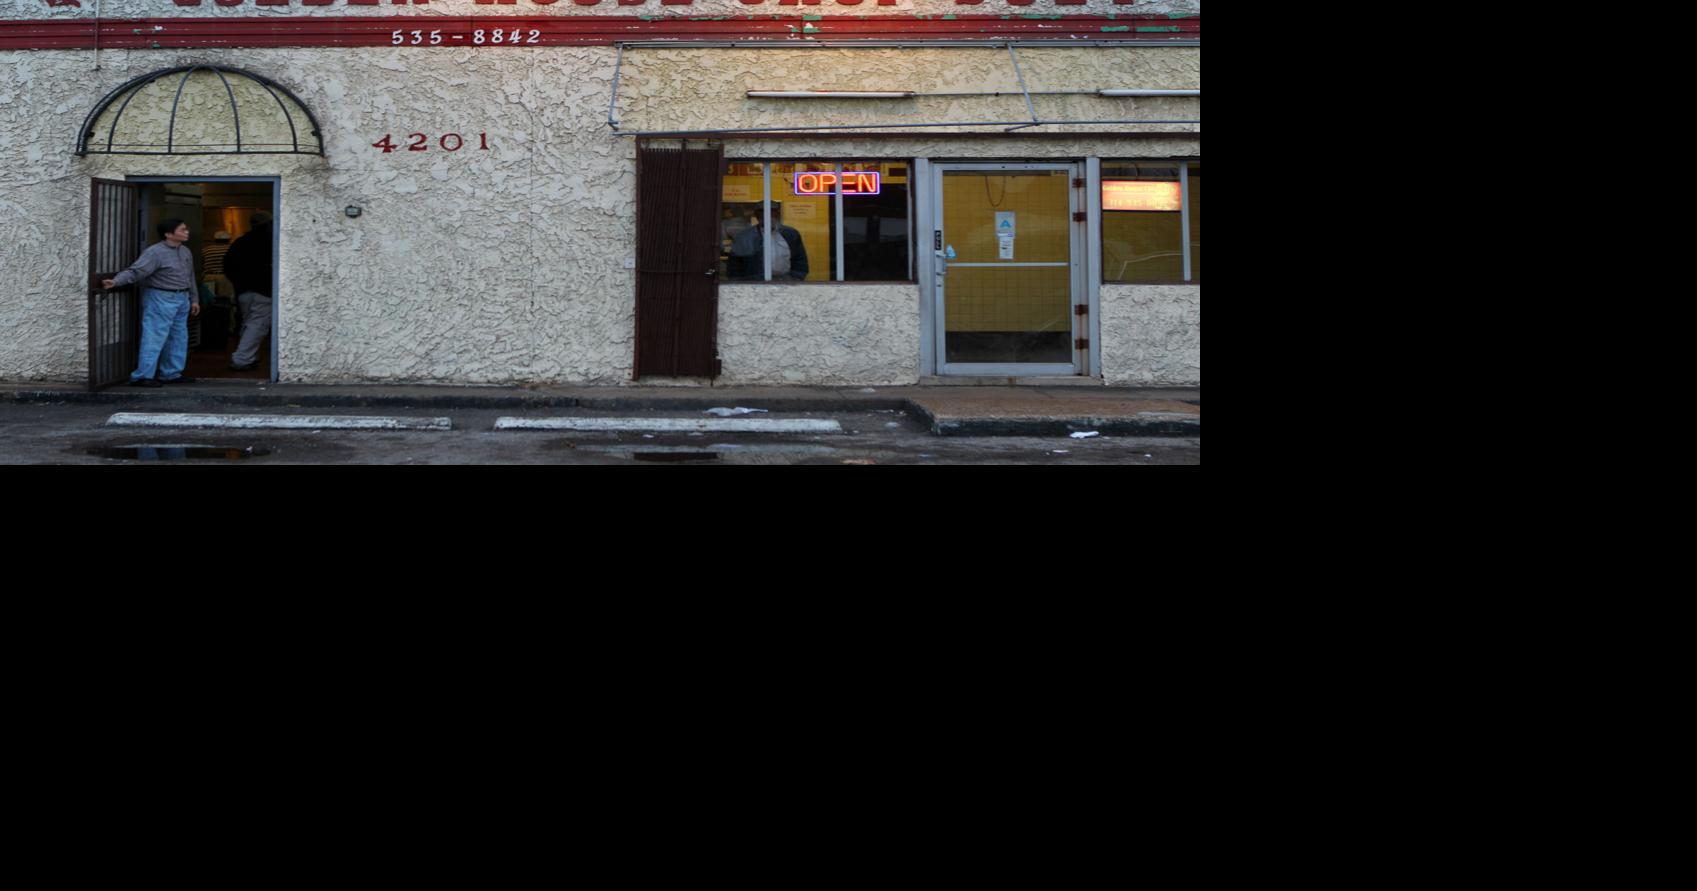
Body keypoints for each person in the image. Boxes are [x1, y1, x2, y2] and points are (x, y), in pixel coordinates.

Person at [102, 218, 200, 387]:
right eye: (182, 229)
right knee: (154, 336)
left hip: (181, 297)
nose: (187, 232)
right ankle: (143, 376)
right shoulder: (155, 252)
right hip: (160, 297)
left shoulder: (185, 252)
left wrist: (194, 299)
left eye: (186, 229)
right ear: (168, 234)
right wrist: (116, 281)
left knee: (178, 337)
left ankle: (171, 373)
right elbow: (137, 271)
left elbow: (190, 276)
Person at [224, 211, 273, 372]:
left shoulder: (240, 242)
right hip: (264, 290)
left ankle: (250, 356)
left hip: (243, 290)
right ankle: (242, 359)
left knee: (248, 323)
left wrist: (238, 283)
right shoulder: (272, 241)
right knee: (257, 325)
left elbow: (227, 267)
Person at [728, 205, 809, 281]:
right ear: (756, 215)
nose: (767, 214)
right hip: (754, 284)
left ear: (778, 214)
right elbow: (734, 266)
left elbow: (800, 261)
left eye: (772, 211)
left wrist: (795, 279)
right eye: (762, 211)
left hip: (786, 282)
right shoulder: (744, 237)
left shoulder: (791, 234)